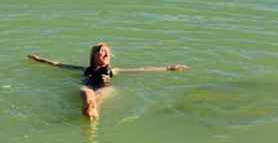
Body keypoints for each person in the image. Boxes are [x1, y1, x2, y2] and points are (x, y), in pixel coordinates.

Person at [28, 42, 185, 120]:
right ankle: (89, 107)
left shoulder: (113, 71)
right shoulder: (86, 70)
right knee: (87, 93)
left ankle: (92, 109)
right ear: (94, 56)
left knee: (98, 96)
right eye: (100, 52)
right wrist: (38, 59)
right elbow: (59, 64)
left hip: (106, 87)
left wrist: (169, 68)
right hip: (87, 84)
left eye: (106, 52)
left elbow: (142, 69)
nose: (103, 54)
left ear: (109, 57)